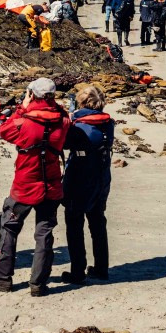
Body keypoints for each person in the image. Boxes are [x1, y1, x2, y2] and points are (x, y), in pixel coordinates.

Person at [0, 78, 72, 297]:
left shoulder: (23, 121)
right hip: (51, 184)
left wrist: (23, 107)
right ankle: (38, 283)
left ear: (32, 95)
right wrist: (49, 104)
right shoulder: (63, 120)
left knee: (9, 227)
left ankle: (2, 277)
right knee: (45, 233)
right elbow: (64, 118)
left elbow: (4, 131)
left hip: (25, 184)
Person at [61, 86, 114, 284]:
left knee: (74, 223)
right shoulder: (108, 123)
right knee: (98, 221)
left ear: (82, 103)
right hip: (101, 177)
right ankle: (101, 268)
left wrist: (70, 117)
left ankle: (77, 270)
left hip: (80, 177)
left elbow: (63, 143)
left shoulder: (78, 126)